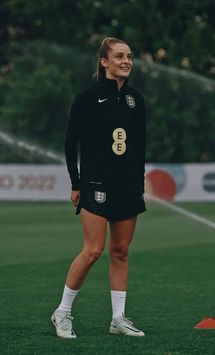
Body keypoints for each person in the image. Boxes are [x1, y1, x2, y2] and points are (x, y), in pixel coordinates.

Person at [51, 37, 146, 339]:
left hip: (127, 185)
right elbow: (70, 143)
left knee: (121, 251)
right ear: (104, 62)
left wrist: (139, 183)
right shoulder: (88, 97)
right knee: (93, 250)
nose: (126, 61)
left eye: (129, 56)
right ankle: (62, 313)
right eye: (119, 56)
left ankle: (118, 319)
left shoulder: (136, 100)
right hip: (95, 184)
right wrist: (76, 182)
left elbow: (139, 146)